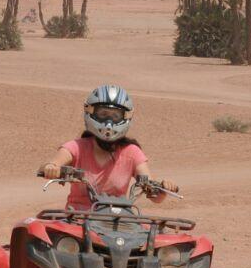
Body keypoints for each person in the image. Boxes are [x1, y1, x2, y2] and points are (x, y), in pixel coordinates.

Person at [40, 85, 178, 210]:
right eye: (103, 114)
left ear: (126, 117)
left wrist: (162, 189)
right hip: (77, 219)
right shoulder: (76, 147)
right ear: (91, 112)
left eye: (115, 116)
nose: (109, 121)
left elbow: (153, 193)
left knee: (151, 237)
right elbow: (51, 164)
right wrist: (51, 168)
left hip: (118, 220)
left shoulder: (132, 153)